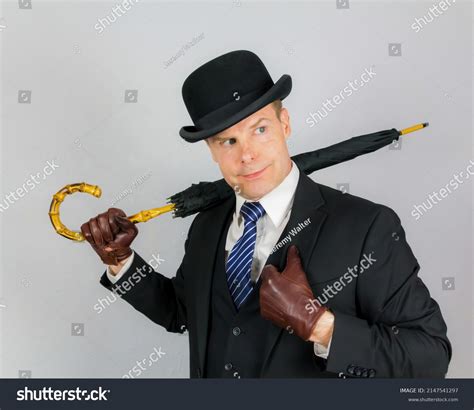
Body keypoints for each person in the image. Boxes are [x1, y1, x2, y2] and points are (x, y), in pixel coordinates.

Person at [80, 50, 452, 378]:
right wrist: (122, 263)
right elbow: (183, 312)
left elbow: (430, 358)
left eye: (260, 129)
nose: (247, 155)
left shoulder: (367, 227)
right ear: (212, 150)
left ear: (285, 124)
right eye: (229, 141)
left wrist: (319, 325)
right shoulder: (207, 225)